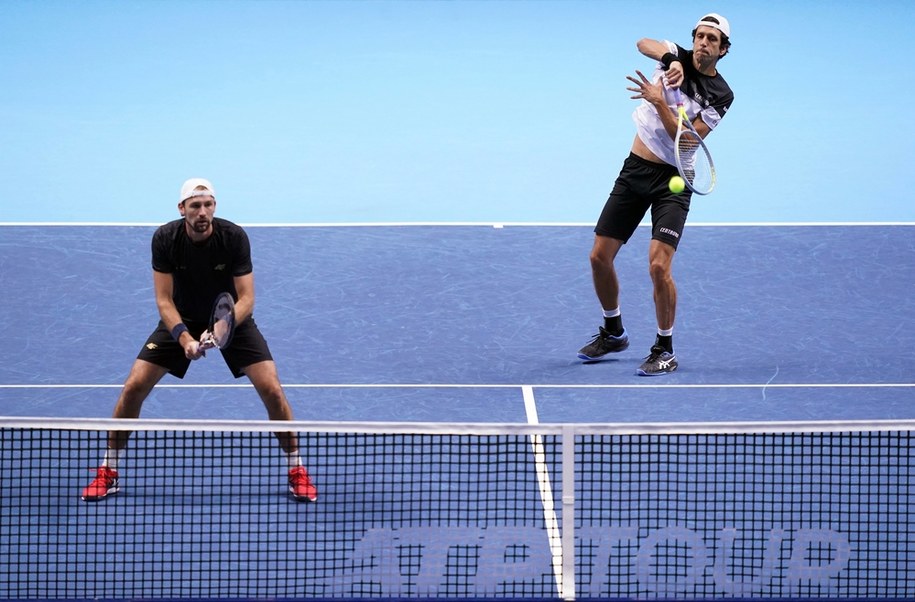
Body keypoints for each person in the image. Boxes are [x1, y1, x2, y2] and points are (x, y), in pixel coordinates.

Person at [81, 178, 317, 502]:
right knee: (134, 386)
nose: (202, 212)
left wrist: (224, 324)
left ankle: (297, 470)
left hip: (232, 317)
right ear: (182, 209)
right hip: (182, 317)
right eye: (195, 206)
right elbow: (164, 301)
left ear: (214, 206)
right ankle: (108, 471)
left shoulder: (233, 237)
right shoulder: (165, 238)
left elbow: (247, 298)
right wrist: (185, 339)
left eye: (208, 204)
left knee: (272, 389)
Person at [577, 13, 734, 376]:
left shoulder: (722, 95)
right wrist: (671, 61)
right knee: (599, 257)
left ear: (723, 50)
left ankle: (665, 348)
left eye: (712, 39)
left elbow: (689, 140)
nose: (703, 43)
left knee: (658, 265)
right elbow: (642, 43)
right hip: (635, 170)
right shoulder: (676, 54)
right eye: (700, 36)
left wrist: (660, 101)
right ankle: (613, 331)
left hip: (674, 181)